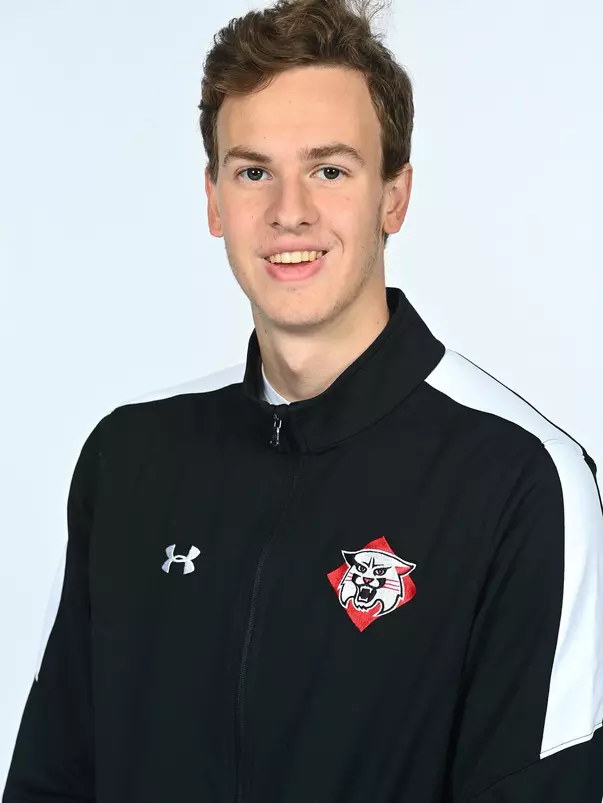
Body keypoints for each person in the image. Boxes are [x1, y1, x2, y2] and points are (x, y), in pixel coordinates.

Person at [4, 0, 603, 801]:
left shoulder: (519, 478)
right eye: (253, 171)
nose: (289, 212)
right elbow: (52, 777)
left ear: (393, 196)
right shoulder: (130, 457)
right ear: (214, 200)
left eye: (329, 169)